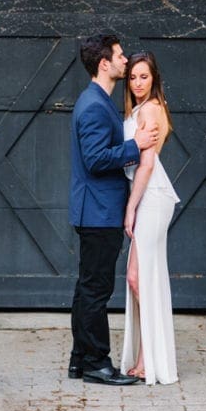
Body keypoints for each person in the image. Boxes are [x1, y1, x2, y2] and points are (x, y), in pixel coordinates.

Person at [68, 32, 159, 386]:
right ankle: (96, 363)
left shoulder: (98, 100)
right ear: (104, 64)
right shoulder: (93, 105)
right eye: (120, 56)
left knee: (86, 288)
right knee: (96, 290)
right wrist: (134, 145)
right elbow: (94, 160)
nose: (125, 60)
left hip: (96, 211)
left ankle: (79, 361)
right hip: (99, 212)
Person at [120, 50, 180, 385]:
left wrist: (130, 207)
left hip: (152, 198)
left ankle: (150, 358)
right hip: (145, 197)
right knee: (142, 279)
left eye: (144, 76)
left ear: (154, 77)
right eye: (133, 77)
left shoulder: (153, 109)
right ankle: (149, 357)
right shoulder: (138, 110)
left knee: (138, 278)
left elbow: (145, 165)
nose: (138, 82)